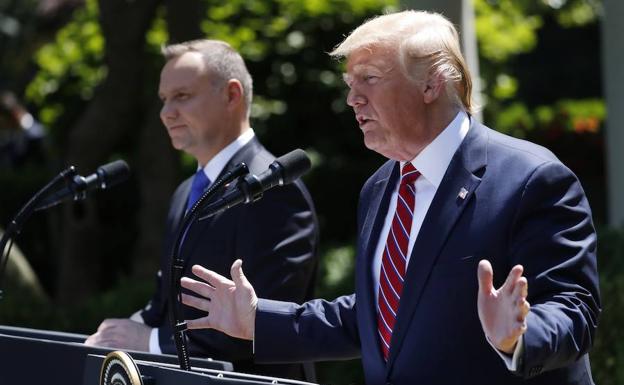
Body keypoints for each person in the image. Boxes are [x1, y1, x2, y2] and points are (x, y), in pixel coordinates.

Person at [178, 10, 601, 385]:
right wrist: (259, 320)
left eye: (370, 79)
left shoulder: (532, 178)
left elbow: (574, 309)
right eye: (349, 82)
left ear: (432, 83)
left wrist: (519, 337)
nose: (352, 98)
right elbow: (379, 315)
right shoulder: (380, 187)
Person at [84, 39, 319, 381]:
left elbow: (267, 320)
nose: (166, 113)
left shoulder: (274, 188)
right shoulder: (185, 192)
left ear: (231, 95)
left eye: (182, 96)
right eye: (164, 100)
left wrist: (149, 340)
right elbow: (166, 303)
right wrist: (120, 331)